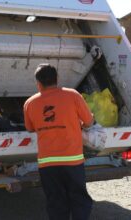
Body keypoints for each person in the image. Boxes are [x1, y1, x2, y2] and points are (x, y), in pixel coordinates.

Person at [23, 64, 94, 220]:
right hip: (72, 161)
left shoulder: (30, 103)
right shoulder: (73, 95)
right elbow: (89, 121)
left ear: (38, 83)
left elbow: (30, 128)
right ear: (57, 79)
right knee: (79, 200)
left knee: (56, 202)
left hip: (47, 163)